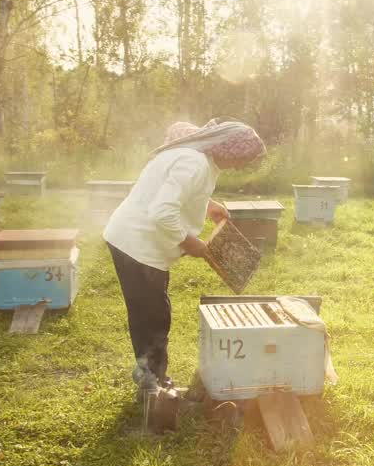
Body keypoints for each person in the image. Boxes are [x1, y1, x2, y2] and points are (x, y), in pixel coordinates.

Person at [104, 120, 265, 400]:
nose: (239, 166)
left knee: (150, 314)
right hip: (138, 244)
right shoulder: (195, 163)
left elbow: (178, 193)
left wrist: (208, 204)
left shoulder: (196, 157)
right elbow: (163, 212)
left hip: (133, 239)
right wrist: (190, 242)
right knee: (152, 318)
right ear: (226, 149)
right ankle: (152, 386)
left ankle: (151, 377)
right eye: (239, 159)